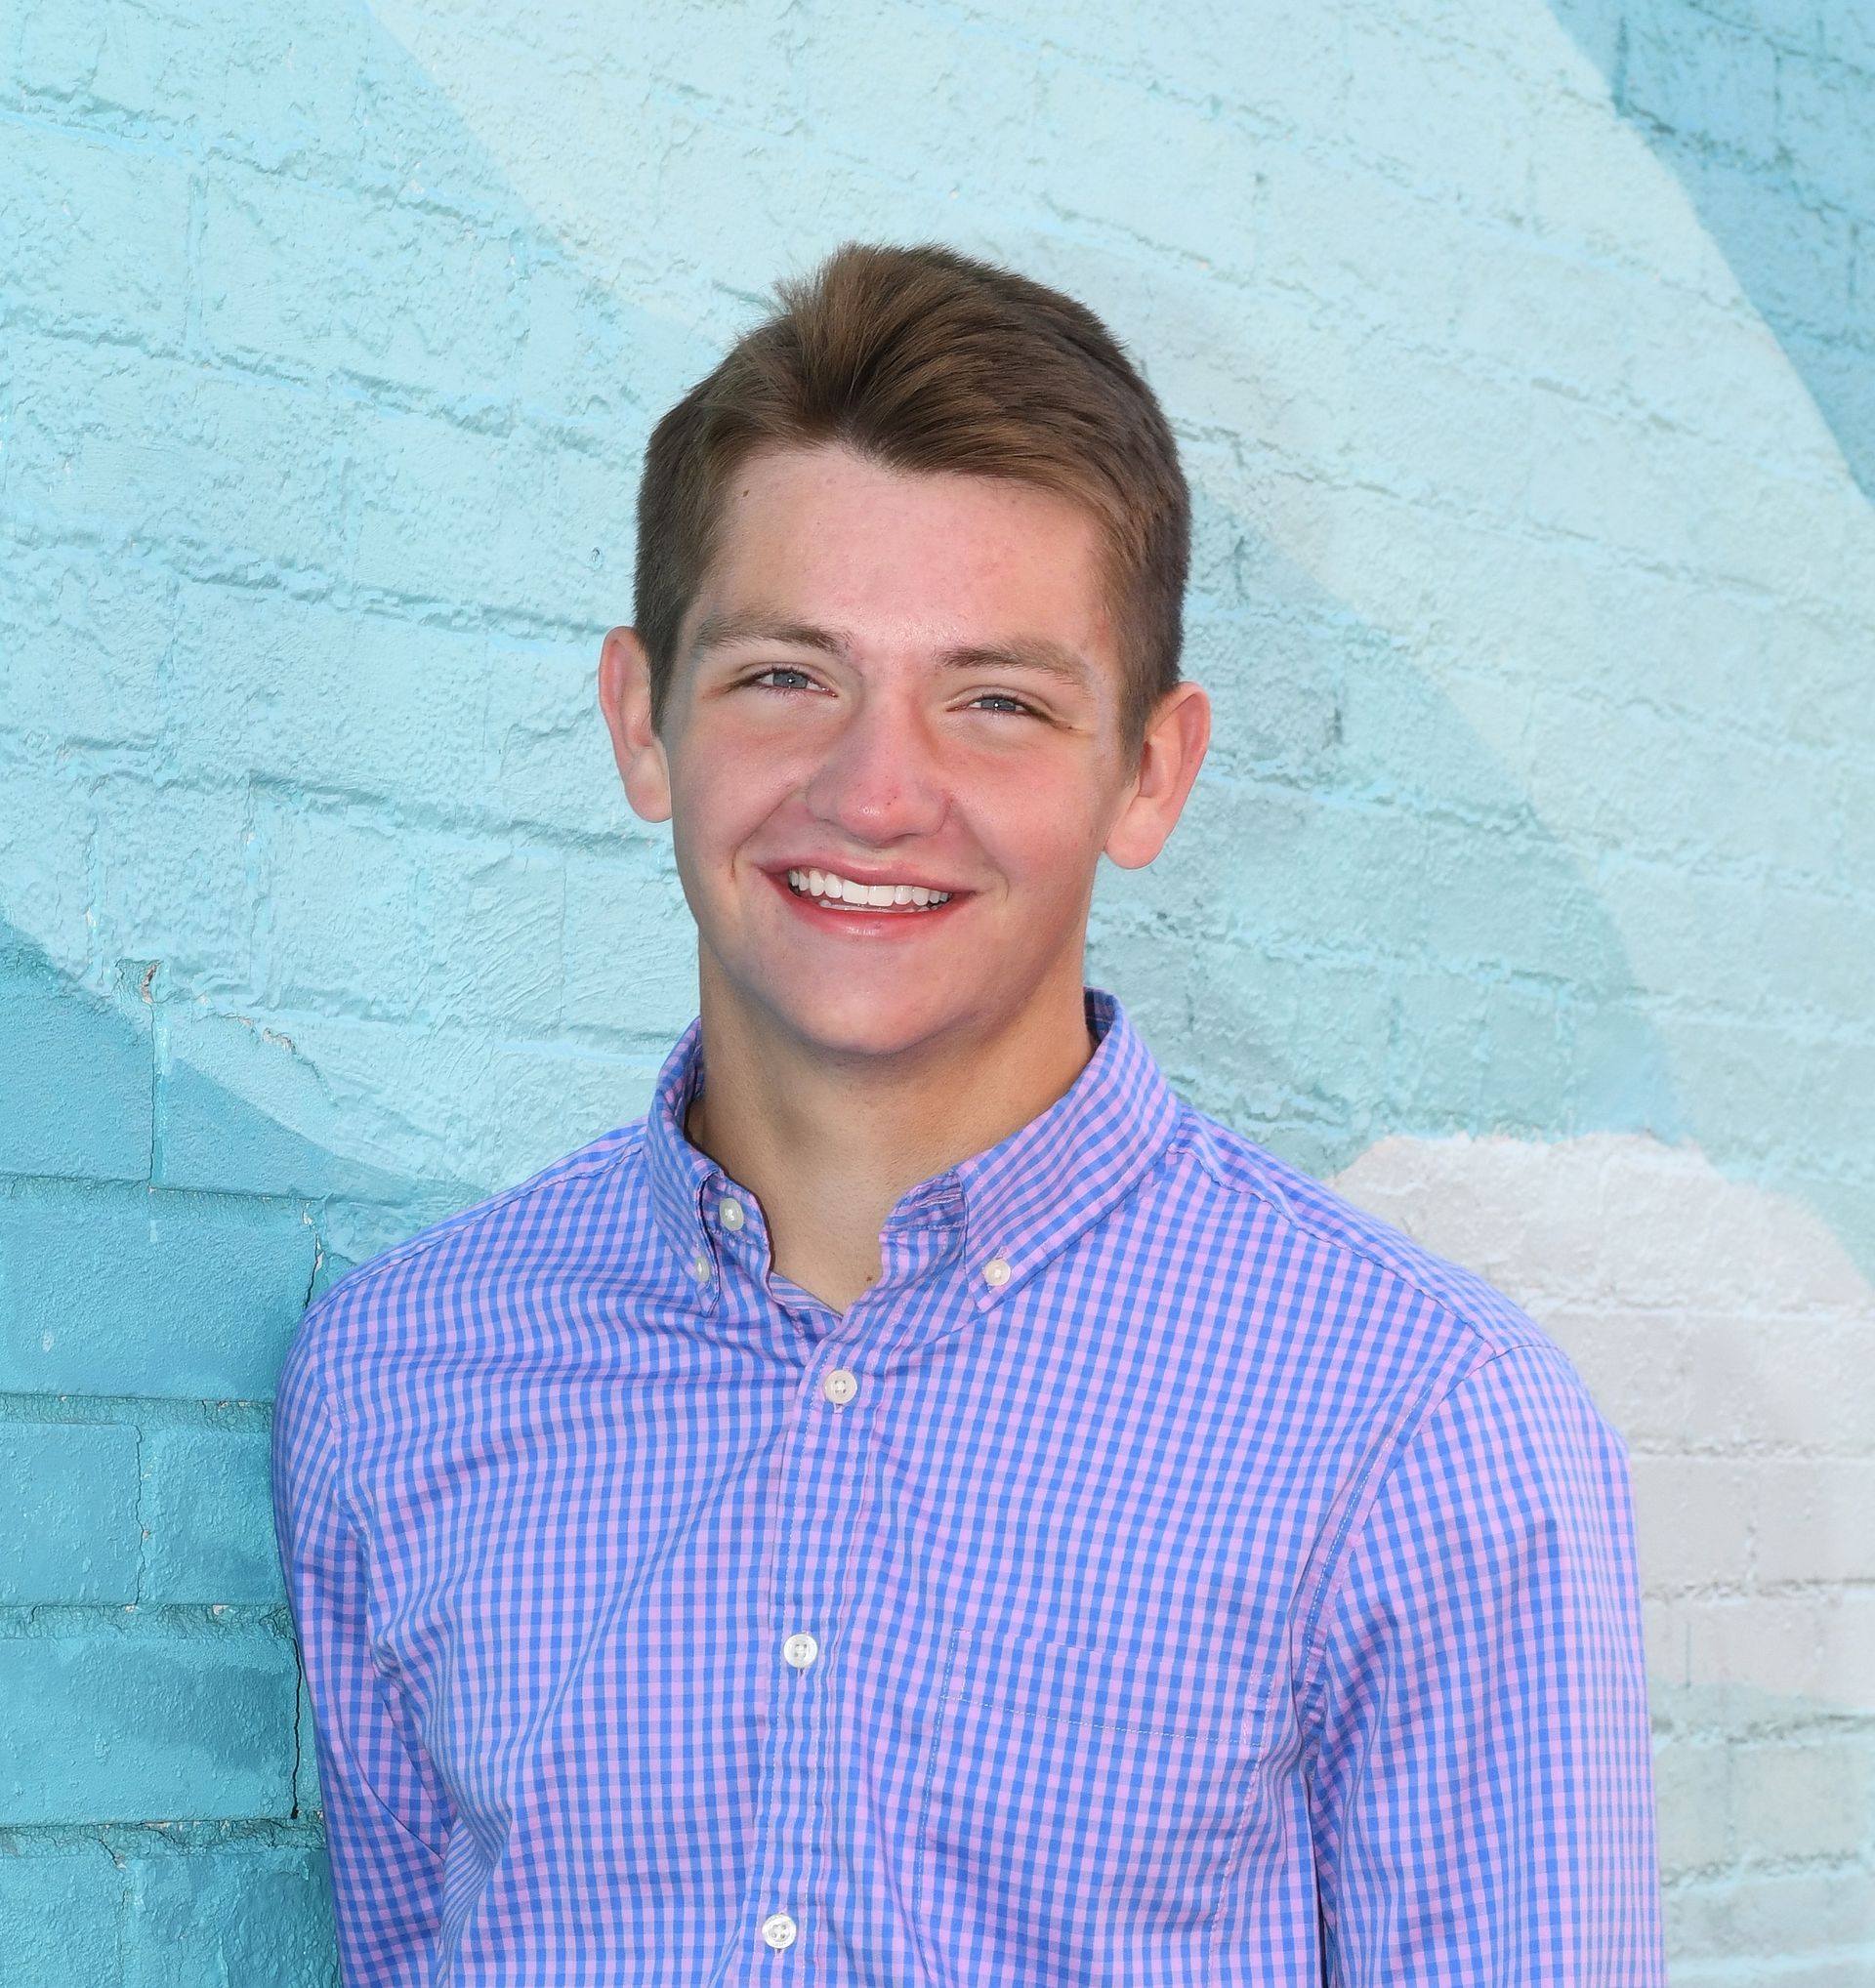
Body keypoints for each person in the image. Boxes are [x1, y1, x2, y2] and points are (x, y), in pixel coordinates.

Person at [273, 241, 1665, 1986]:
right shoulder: (397, 1377)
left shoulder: (1427, 1435)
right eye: (788, 674)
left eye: (995, 700)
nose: (874, 791)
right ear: (643, 724)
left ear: (1150, 773)